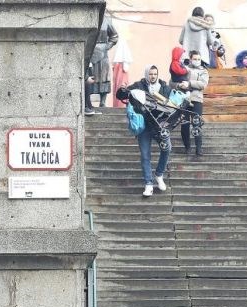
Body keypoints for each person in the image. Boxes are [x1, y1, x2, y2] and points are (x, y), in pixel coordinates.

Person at [116, 66, 172, 198]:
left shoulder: (165, 88)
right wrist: (122, 89)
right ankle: (148, 183)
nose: (153, 76)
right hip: (144, 126)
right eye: (151, 74)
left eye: (155, 74)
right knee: (145, 156)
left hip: (160, 125)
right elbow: (121, 95)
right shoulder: (138, 85)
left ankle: (159, 174)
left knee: (167, 148)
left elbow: (172, 104)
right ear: (147, 74)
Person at [176, 50, 209, 157]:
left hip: (197, 100)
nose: (197, 61)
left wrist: (189, 83)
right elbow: (174, 81)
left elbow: (203, 84)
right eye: (195, 59)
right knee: (184, 124)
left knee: (197, 124)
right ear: (190, 59)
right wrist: (179, 85)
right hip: (184, 100)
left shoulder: (204, 71)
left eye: (199, 59)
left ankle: (199, 148)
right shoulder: (184, 68)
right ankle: (187, 148)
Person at [85, 10, 119, 114]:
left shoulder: (107, 20)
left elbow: (114, 36)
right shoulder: (88, 18)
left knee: (104, 76)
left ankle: (103, 101)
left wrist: (107, 46)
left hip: (103, 53)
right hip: (90, 51)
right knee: (90, 76)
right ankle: (88, 102)